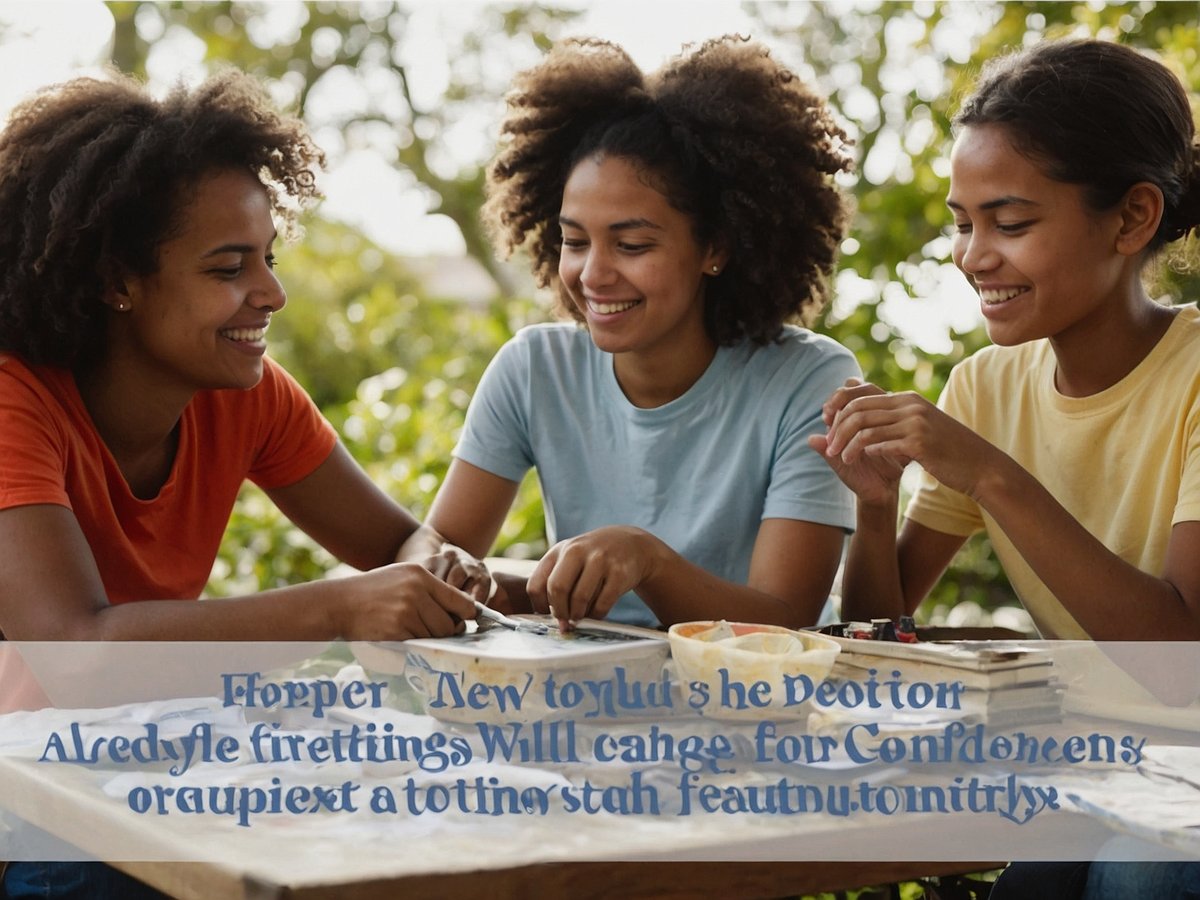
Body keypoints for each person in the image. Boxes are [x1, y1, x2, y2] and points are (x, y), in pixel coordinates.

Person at [808, 38, 1200, 899]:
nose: (971, 254)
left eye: (1010, 224)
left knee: (1138, 880)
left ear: (1132, 218)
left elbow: (1179, 663)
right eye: (963, 222)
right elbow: (879, 642)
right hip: (1106, 764)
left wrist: (991, 476)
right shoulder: (986, 387)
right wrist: (874, 506)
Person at [0, 70, 495, 652]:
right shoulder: (15, 403)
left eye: (269, 259)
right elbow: (69, 648)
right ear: (117, 282)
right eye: (229, 269)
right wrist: (339, 609)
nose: (273, 295)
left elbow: (399, 543)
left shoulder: (245, 396)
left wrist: (433, 566)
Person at [408, 35, 860, 632]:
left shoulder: (808, 380)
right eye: (574, 241)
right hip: (587, 683)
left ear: (716, 246)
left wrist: (647, 561)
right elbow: (438, 542)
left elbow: (782, 621)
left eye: (632, 245)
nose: (592, 275)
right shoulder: (534, 369)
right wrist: (442, 566)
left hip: (754, 688)